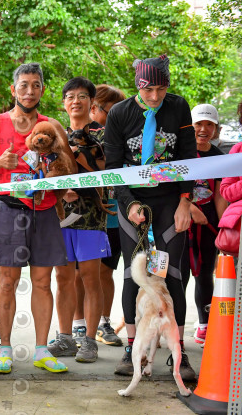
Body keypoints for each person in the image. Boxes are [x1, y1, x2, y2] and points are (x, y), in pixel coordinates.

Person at [0, 63, 76, 374]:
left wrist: (60, 176)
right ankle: (4, 349)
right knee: (6, 282)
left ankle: (42, 350)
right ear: (13, 89)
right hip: (8, 210)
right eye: (23, 85)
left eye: (35, 85)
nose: (29, 91)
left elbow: (69, 167)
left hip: (44, 211)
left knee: (43, 283)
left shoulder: (53, 125)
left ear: (42, 89)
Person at [104, 55, 197, 381]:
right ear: (137, 86)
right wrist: (128, 204)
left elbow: (189, 156)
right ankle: (132, 349)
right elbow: (113, 168)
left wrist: (186, 201)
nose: (154, 97)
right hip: (133, 203)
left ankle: (179, 352)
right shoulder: (119, 114)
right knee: (134, 276)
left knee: (174, 275)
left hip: (171, 201)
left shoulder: (178, 107)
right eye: (148, 90)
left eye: (160, 89)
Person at [48, 77, 109, 363]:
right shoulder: (53, 133)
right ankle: (65, 337)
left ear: (91, 102)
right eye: (70, 96)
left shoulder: (103, 133)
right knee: (63, 277)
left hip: (91, 215)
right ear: (64, 103)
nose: (76, 101)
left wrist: (74, 155)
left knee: (90, 277)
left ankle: (89, 341)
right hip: (58, 216)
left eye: (82, 96)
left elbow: (103, 167)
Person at [183, 104, 227, 344]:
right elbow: (169, 187)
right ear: (190, 127)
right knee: (176, 275)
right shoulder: (180, 152)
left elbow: (220, 193)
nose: (203, 129)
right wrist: (190, 209)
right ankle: (172, 325)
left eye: (209, 124)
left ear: (216, 128)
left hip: (207, 220)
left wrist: (220, 225)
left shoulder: (220, 157)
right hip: (180, 218)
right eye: (198, 124)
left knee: (204, 273)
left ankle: (203, 324)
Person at [87, 85, 126, 347]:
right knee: (85, 274)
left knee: (106, 272)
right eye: (110, 113)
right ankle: (79, 328)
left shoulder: (123, 137)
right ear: (93, 109)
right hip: (87, 218)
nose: (116, 118)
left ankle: (104, 323)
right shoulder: (81, 136)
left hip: (116, 216)